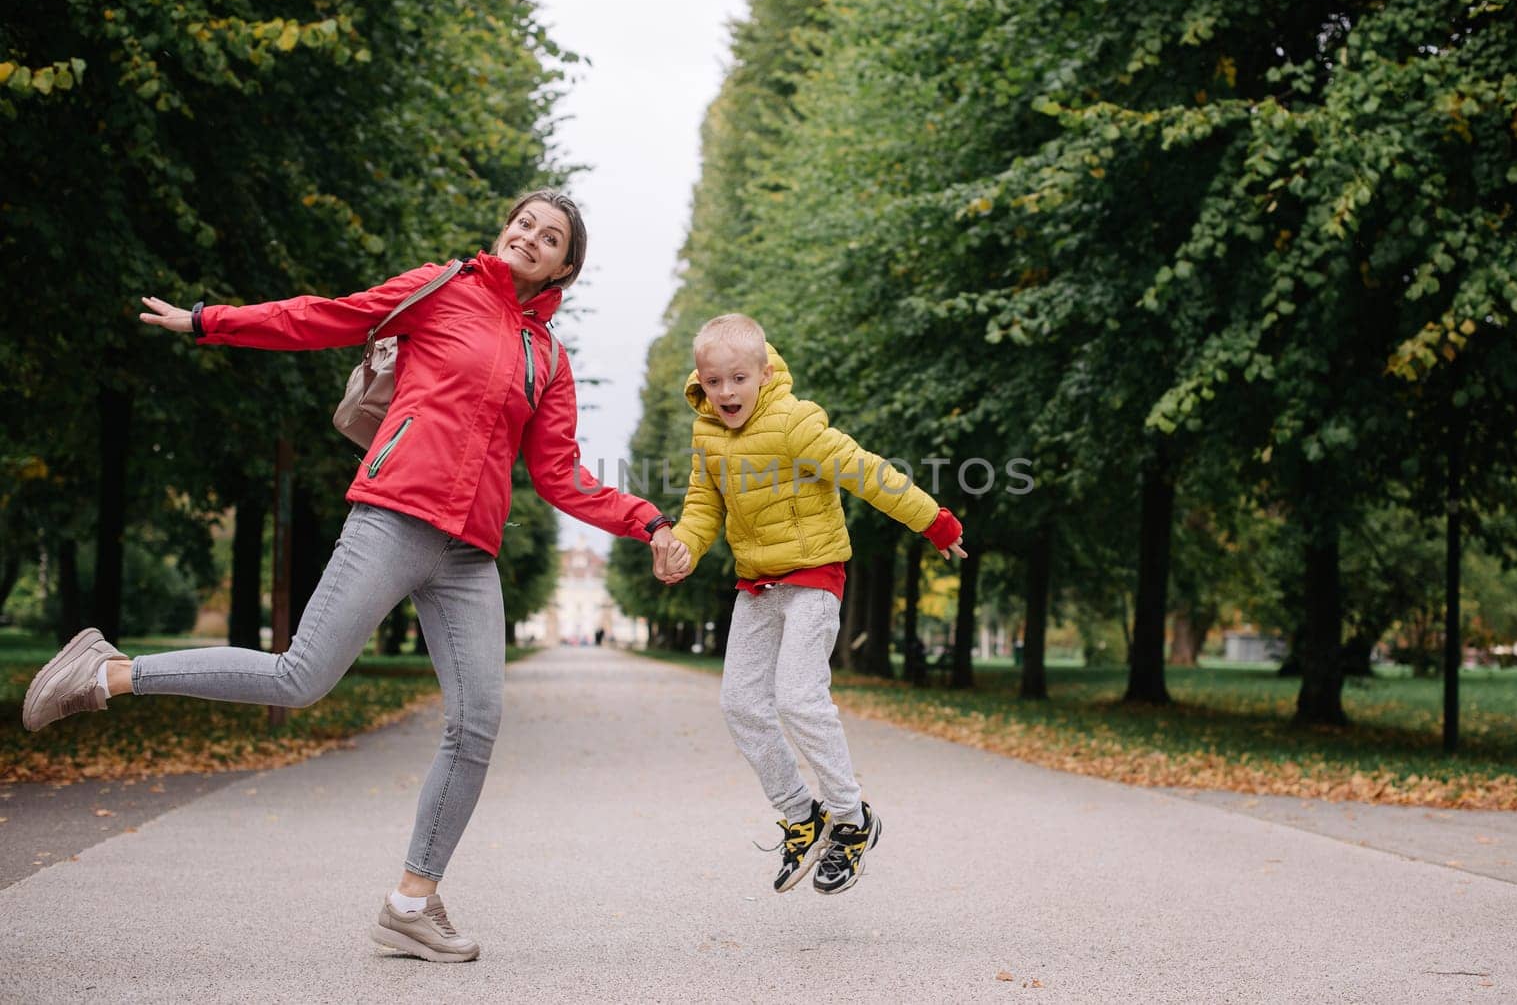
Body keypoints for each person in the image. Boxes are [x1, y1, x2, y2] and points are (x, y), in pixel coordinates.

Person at [21, 189, 689, 963]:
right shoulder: (442, 288)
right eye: (523, 224)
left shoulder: (549, 358)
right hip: (395, 514)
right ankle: (108, 671)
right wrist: (211, 321)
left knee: (476, 726)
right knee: (300, 676)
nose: (530, 238)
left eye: (550, 237)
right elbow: (325, 316)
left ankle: (413, 902)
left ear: (566, 265)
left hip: (468, 553)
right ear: (505, 230)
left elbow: (562, 474)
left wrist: (649, 521)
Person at [659, 313, 966, 895]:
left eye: (739, 379)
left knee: (798, 697)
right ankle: (803, 814)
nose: (727, 393)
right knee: (740, 705)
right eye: (715, 381)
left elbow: (868, 473)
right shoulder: (706, 436)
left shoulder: (796, 423)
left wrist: (936, 522)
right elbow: (703, 506)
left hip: (814, 580)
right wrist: (685, 547)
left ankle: (851, 820)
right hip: (757, 588)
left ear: (764, 373)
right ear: (700, 381)